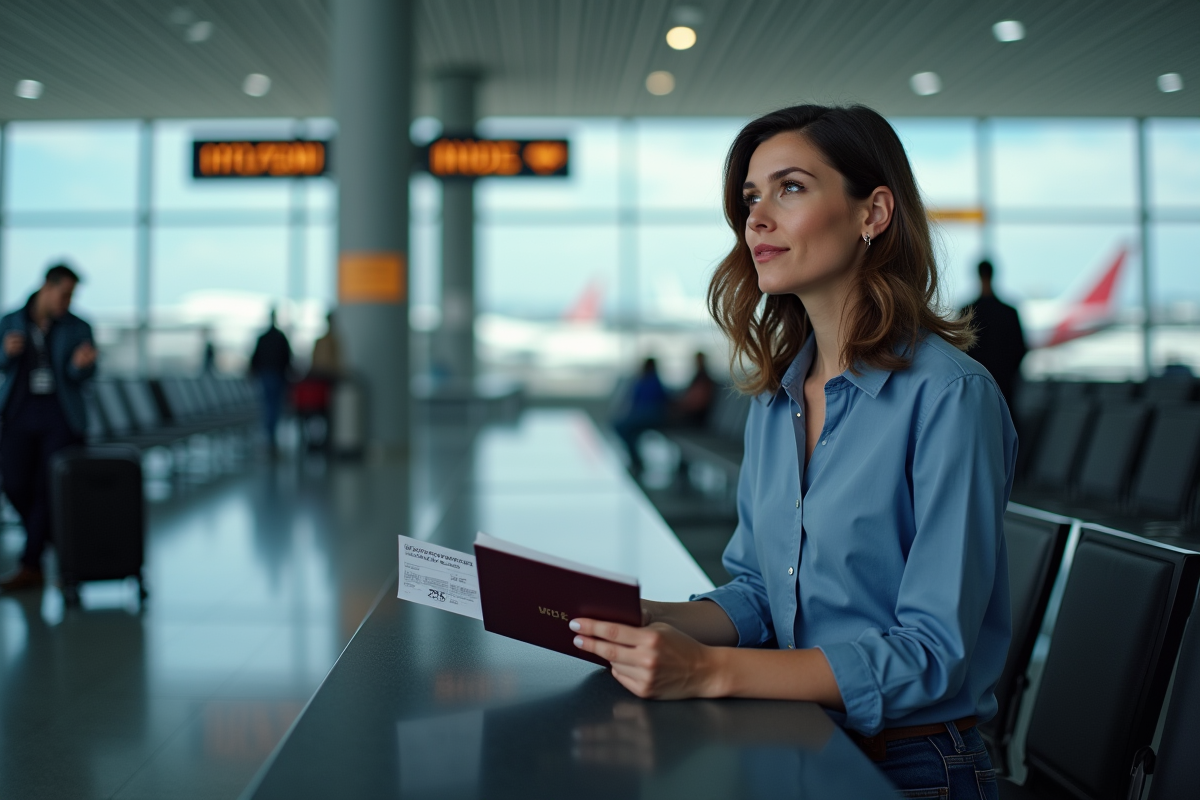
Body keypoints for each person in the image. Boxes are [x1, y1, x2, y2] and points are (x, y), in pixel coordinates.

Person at [570, 105, 1015, 798]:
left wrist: (710, 671)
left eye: (791, 188)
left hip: (913, 765)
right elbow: (757, 592)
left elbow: (932, 653)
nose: (757, 218)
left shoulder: (950, 397)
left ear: (873, 213)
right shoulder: (776, 398)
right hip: (792, 735)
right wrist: (646, 618)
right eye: (751, 197)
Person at [0, 264, 97, 592]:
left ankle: (30, 564)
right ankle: (52, 541)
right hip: (20, 410)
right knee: (13, 482)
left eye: (71, 296)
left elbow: (84, 375)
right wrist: (6, 353)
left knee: (45, 488)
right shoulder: (12, 321)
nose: (67, 302)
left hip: (60, 413)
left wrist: (79, 365)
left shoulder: (79, 327)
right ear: (46, 286)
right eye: (64, 294)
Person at [961, 260, 1027, 410]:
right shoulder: (1009, 312)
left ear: (978, 275)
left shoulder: (967, 312)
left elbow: (961, 350)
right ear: (993, 275)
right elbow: (1020, 349)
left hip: (975, 385)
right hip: (1005, 383)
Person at [612, 357, 669, 473]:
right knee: (629, 432)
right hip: (643, 414)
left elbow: (661, 402)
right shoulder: (643, 381)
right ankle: (636, 460)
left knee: (621, 427)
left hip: (652, 415)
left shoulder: (653, 382)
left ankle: (636, 460)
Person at [249, 308, 292, 455]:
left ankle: (269, 436)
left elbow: (255, 359)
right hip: (277, 376)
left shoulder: (264, 338)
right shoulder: (280, 338)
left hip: (266, 376)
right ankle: (271, 436)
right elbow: (288, 359)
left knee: (268, 406)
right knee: (275, 407)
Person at [671, 351, 717, 428]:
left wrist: (683, 406)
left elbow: (700, 401)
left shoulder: (704, 378)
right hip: (693, 412)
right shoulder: (699, 377)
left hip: (697, 416)